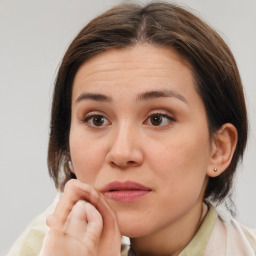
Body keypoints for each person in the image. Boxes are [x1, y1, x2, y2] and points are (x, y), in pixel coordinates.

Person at [8, 2, 256, 256]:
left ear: (219, 149)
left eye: (158, 119)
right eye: (97, 120)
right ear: (67, 146)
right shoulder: (41, 245)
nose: (121, 152)